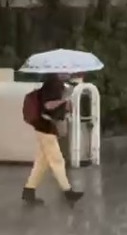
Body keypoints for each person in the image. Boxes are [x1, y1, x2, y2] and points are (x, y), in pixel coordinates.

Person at [23, 73, 84, 206]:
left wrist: (66, 107)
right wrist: (64, 102)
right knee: (57, 161)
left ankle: (28, 191)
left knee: (41, 163)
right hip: (45, 127)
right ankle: (68, 192)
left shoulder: (57, 84)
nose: (69, 73)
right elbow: (48, 105)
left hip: (45, 126)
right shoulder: (53, 84)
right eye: (66, 71)